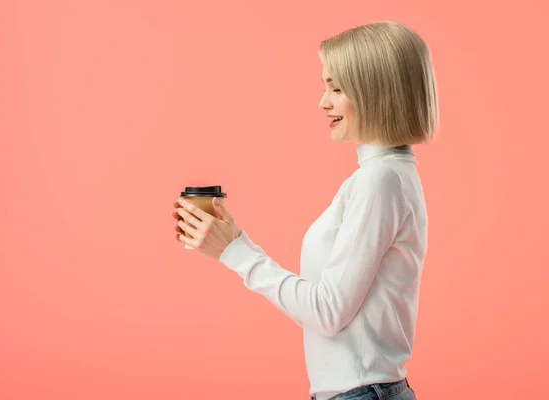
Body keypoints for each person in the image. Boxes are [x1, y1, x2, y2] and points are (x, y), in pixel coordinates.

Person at [172, 21, 438, 400]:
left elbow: (327, 311)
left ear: (375, 91)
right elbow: (328, 313)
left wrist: (234, 252)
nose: (323, 101)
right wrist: (233, 243)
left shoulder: (380, 181)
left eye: (337, 87)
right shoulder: (387, 176)